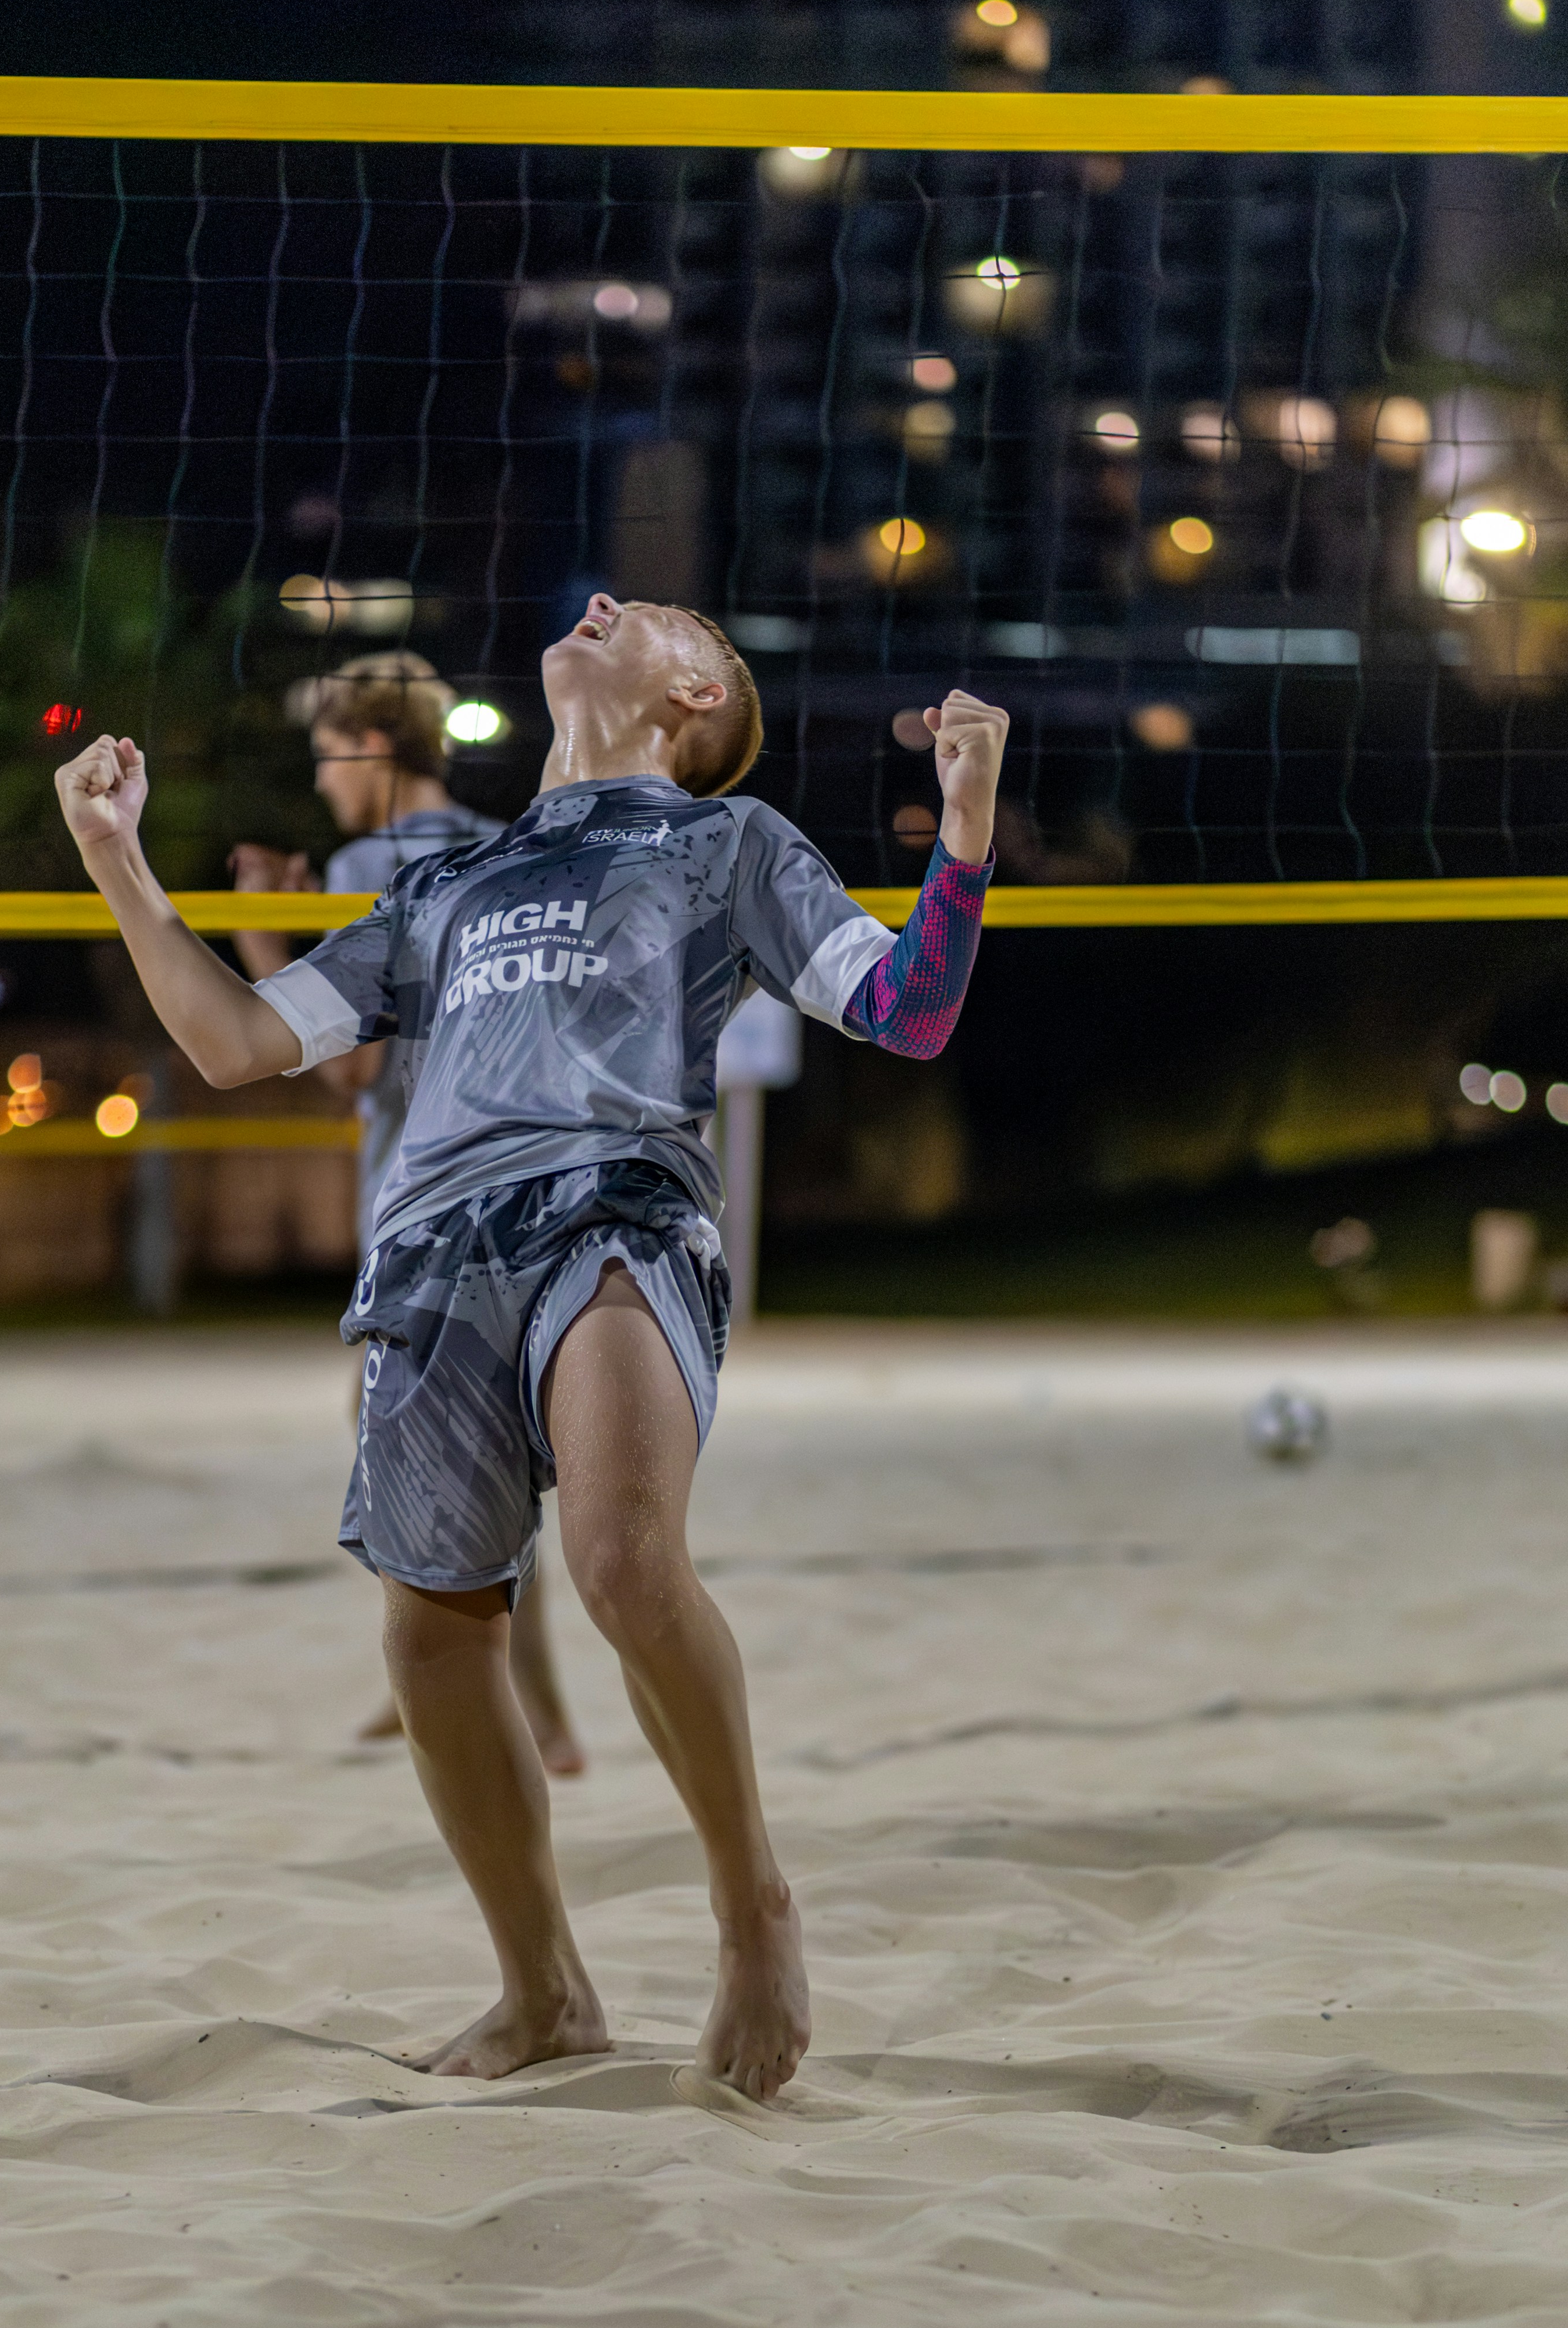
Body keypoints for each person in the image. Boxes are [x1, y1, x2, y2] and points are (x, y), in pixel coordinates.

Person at [54, 594, 1005, 2101]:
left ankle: (751, 1904)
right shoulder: (454, 876)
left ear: (692, 692)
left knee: (625, 1560)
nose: (602, 604)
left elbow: (906, 1009)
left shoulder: (726, 842)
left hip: (616, 1204)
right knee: (432, 1634)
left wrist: (959, 835)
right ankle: (544, 1990)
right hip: (431, 1248)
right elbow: (235, 1042)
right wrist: (116, 859)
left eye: (651, 617)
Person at [228, 655, 584, 1777]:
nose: (325, 781)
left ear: (374, 752)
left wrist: (259, 937)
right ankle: (461, 1681)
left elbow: (342, 1072)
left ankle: (531, 1713)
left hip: (424, 1203)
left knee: (440, 1468)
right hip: (531, 1185)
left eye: (331, 756)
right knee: (469, 1468)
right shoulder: (515, 842)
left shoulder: (367, 862)